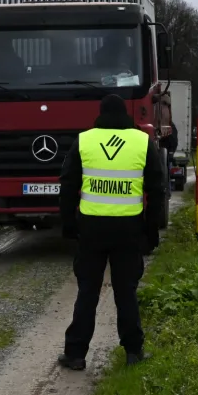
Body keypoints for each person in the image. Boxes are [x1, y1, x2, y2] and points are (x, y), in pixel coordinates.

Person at [57, 94, 164, 371]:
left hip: (92, 229)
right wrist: (151, 230)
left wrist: (68, 224)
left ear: (101, 113)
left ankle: (76, 354)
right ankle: (133, 351)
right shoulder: (141, 142)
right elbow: (157, 189)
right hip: (129, 229)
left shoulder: (85, 140)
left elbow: (68, 185)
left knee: (88, 291)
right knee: (126, 291)